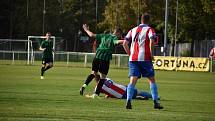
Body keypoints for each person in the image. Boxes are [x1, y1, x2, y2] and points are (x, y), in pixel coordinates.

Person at [123, 13, 163, 109]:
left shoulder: (132, 30)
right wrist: (151, 53)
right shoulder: (149, 29)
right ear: (149, 21)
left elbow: (124, 43)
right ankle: (155, 102)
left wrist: (130, 54)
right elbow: (152, 40)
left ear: (141, 20)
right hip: (145, 58)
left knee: (132, 81)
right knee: (151, 80)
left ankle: (128, 101)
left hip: (133, 59)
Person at [80, 24, 124, 97]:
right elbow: (117, 41)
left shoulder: (104, 35)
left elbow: (91, 35)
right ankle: (96, 94)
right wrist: (126, 41)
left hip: (97, 56)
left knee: (93, 73)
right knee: (103, 77)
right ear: (118, 33)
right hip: (105, 58)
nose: (119, 36)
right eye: (120, 35)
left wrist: (86, 30)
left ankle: (84, 86)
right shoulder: (115, 37)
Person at [86, 78, 153, 100]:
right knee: (139, 92)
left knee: (132, 97)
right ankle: (155, 97)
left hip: (120, 95)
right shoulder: (107, 78)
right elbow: (111, 87)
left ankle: (139, 98)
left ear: (95, 80)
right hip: (124, 88)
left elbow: (95, 96)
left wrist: (88, 96)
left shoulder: (98, 87)